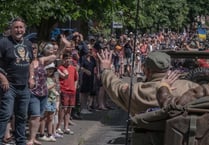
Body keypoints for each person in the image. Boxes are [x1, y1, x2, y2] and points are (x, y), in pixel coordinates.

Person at [0, 17, 35, 145]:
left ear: (24, 30)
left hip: (24, 86)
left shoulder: (28, 44)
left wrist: (31, 78)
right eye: (16, 27)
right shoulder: (3, 43)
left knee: (22, 116)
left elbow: (31, 63)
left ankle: (21, 142)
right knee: (5, 114)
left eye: (21, 27)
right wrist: (3, 78)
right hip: (9, 86)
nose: (18, 30)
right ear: (11, 29)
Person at [27, 42, 57, 145]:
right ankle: (31, 139)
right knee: (35, 115)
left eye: (35, 48)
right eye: (31, 48)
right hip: (33, 92)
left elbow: (54, 56)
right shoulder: (26, 62)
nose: (33, 50)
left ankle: (33, 138)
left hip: (43, 92)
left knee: (39, 116)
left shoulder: (41, 60)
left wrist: (61, 46)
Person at [56, 52, 78, 135]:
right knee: (63, 109)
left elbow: (76, 79)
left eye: (69, 58)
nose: (68, 60)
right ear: (63, 60)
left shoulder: (73, 68)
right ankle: (58, 127)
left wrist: (75, 88)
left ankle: (66, 127)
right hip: (64, 90)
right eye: (66, 58)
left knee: (69, 109)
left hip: (72, 91)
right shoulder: (60, 68)